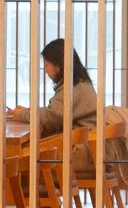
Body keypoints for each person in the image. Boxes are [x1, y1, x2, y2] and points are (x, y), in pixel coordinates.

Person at [9, 38, 113, 173]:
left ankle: (36, 193)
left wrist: (22, 115)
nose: (45, 71)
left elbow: (52, 116)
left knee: (16, 161)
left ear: (58, 65)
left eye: (46, 65)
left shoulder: (72, 88)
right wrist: (29, 111)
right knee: (23, 157)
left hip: (82, 154)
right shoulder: (80, 83)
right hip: (91, 150)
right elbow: (56, 111)